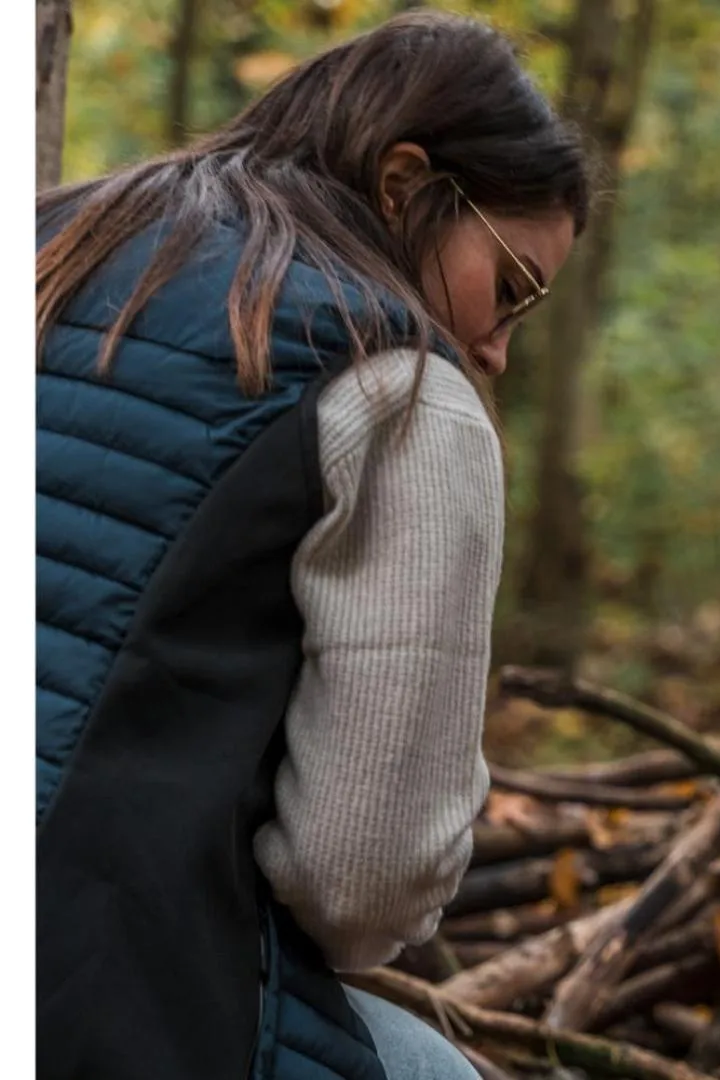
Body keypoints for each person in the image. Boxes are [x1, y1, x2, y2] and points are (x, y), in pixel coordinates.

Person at [35, 13, 588, 1079]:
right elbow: (363, 882)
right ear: (403, 183)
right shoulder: (399, 387)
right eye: (509, 287)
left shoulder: (53, 238)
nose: (498, 350)